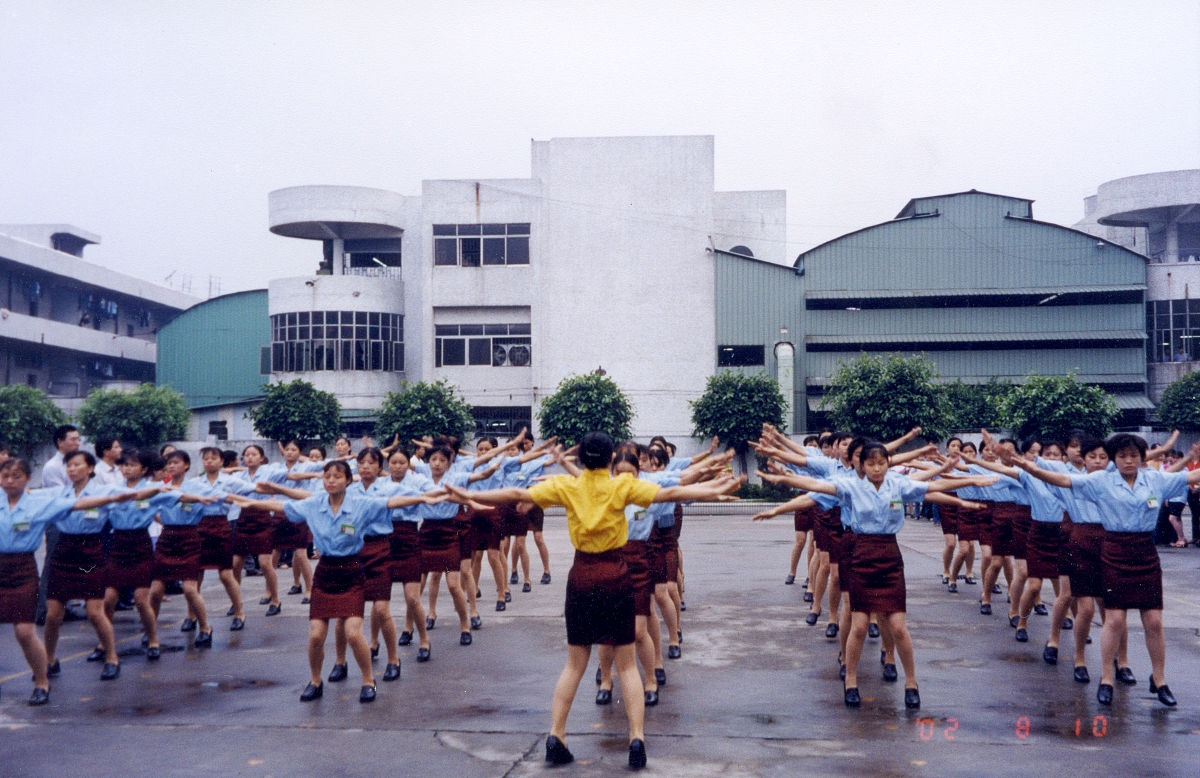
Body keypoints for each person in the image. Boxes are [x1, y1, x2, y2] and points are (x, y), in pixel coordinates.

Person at [442, 430, 740, 771]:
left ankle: (557, 735)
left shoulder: (569, 486)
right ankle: (636, 739)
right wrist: (715, 489)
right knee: (627, 664)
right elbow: (669, 491)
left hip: (581, 574)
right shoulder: (621, 486)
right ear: (611, 459)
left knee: (575, 663)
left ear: (581, 458)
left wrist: (465, 493)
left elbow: (516, 492)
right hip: (615, 572)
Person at [226, 460, 444, 703]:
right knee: (316, 635)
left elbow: (392, 502)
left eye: (337, 476)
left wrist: (424, 500)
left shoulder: (360, 503)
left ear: (348, 481)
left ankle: (368, 680)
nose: (331, 480)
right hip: (326, 571)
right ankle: (315, 681)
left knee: (352, 632)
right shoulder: (315, 503)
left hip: (351, 569)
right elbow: (282, 504)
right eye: (327, 476)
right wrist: (248, 501)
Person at [1011, 434, 1200, 707]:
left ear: (1142, 457)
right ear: (1115, 459)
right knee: (1113, 619)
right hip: (1114, 551)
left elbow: (1191, 478)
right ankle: (1107, 678)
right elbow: (1065, 481)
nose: (1128, 460)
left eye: (1134, 455)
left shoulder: (1155, 479)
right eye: (1122, 455)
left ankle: (1159, 679)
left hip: (1145, 553)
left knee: (1154, 622)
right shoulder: (1101, 481)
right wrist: (1029, 469)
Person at [1, 458, 140, 703]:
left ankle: (111, 657)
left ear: (90, 468)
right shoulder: (55, 493)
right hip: (64, 551)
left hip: (88, 552)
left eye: (77, 465)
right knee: (53, 615)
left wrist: (116, 499)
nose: (72, 469)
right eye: (5, 475)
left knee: (94, 612)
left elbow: (86, 503)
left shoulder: (97, 490)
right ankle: (50, 662)